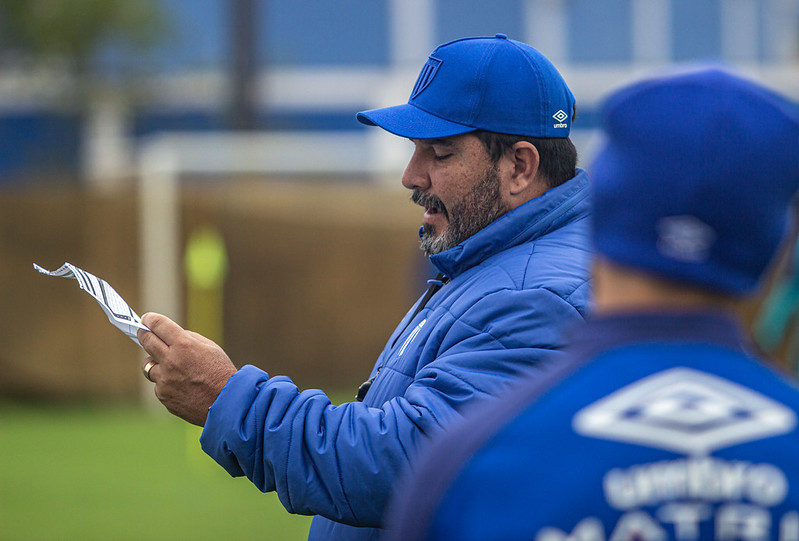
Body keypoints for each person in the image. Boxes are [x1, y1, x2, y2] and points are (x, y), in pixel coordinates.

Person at [137, 34, 591, 541]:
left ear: (520, 167)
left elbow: (403, 465)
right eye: (416, 150)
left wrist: (227, 398)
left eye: (439, 153)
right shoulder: (490, 263)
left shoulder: (535, 298)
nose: (409, 175)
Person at [382, 67, 799, 541]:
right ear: (776, 251)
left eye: (438, 153)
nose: (410, 175)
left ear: (602, 219)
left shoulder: (471, 463)